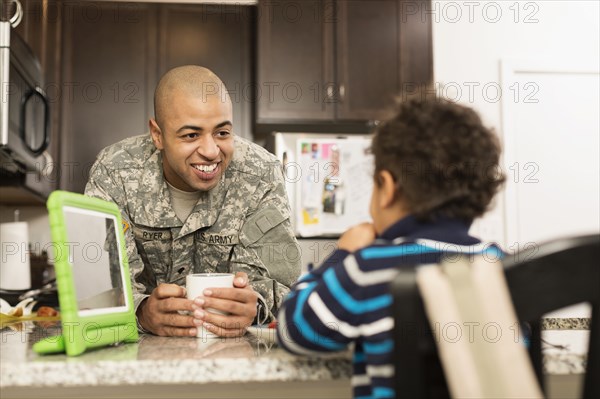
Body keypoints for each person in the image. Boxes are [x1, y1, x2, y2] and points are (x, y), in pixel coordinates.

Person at [276, 97, 506, 399]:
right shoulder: (502, 265)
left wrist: (342, 254)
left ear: (387, 188)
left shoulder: (369, 268)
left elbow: (294, 331)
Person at [85, 65, 301, 337]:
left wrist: (255, 306)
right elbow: (99, 285)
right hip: (141, 352)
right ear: (158, 135)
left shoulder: (261, 174)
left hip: (233, 354)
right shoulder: (115, 171)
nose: (211, 151)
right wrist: (141, 313)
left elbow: (283, 287)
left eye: (222, 133)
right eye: (191, 135)